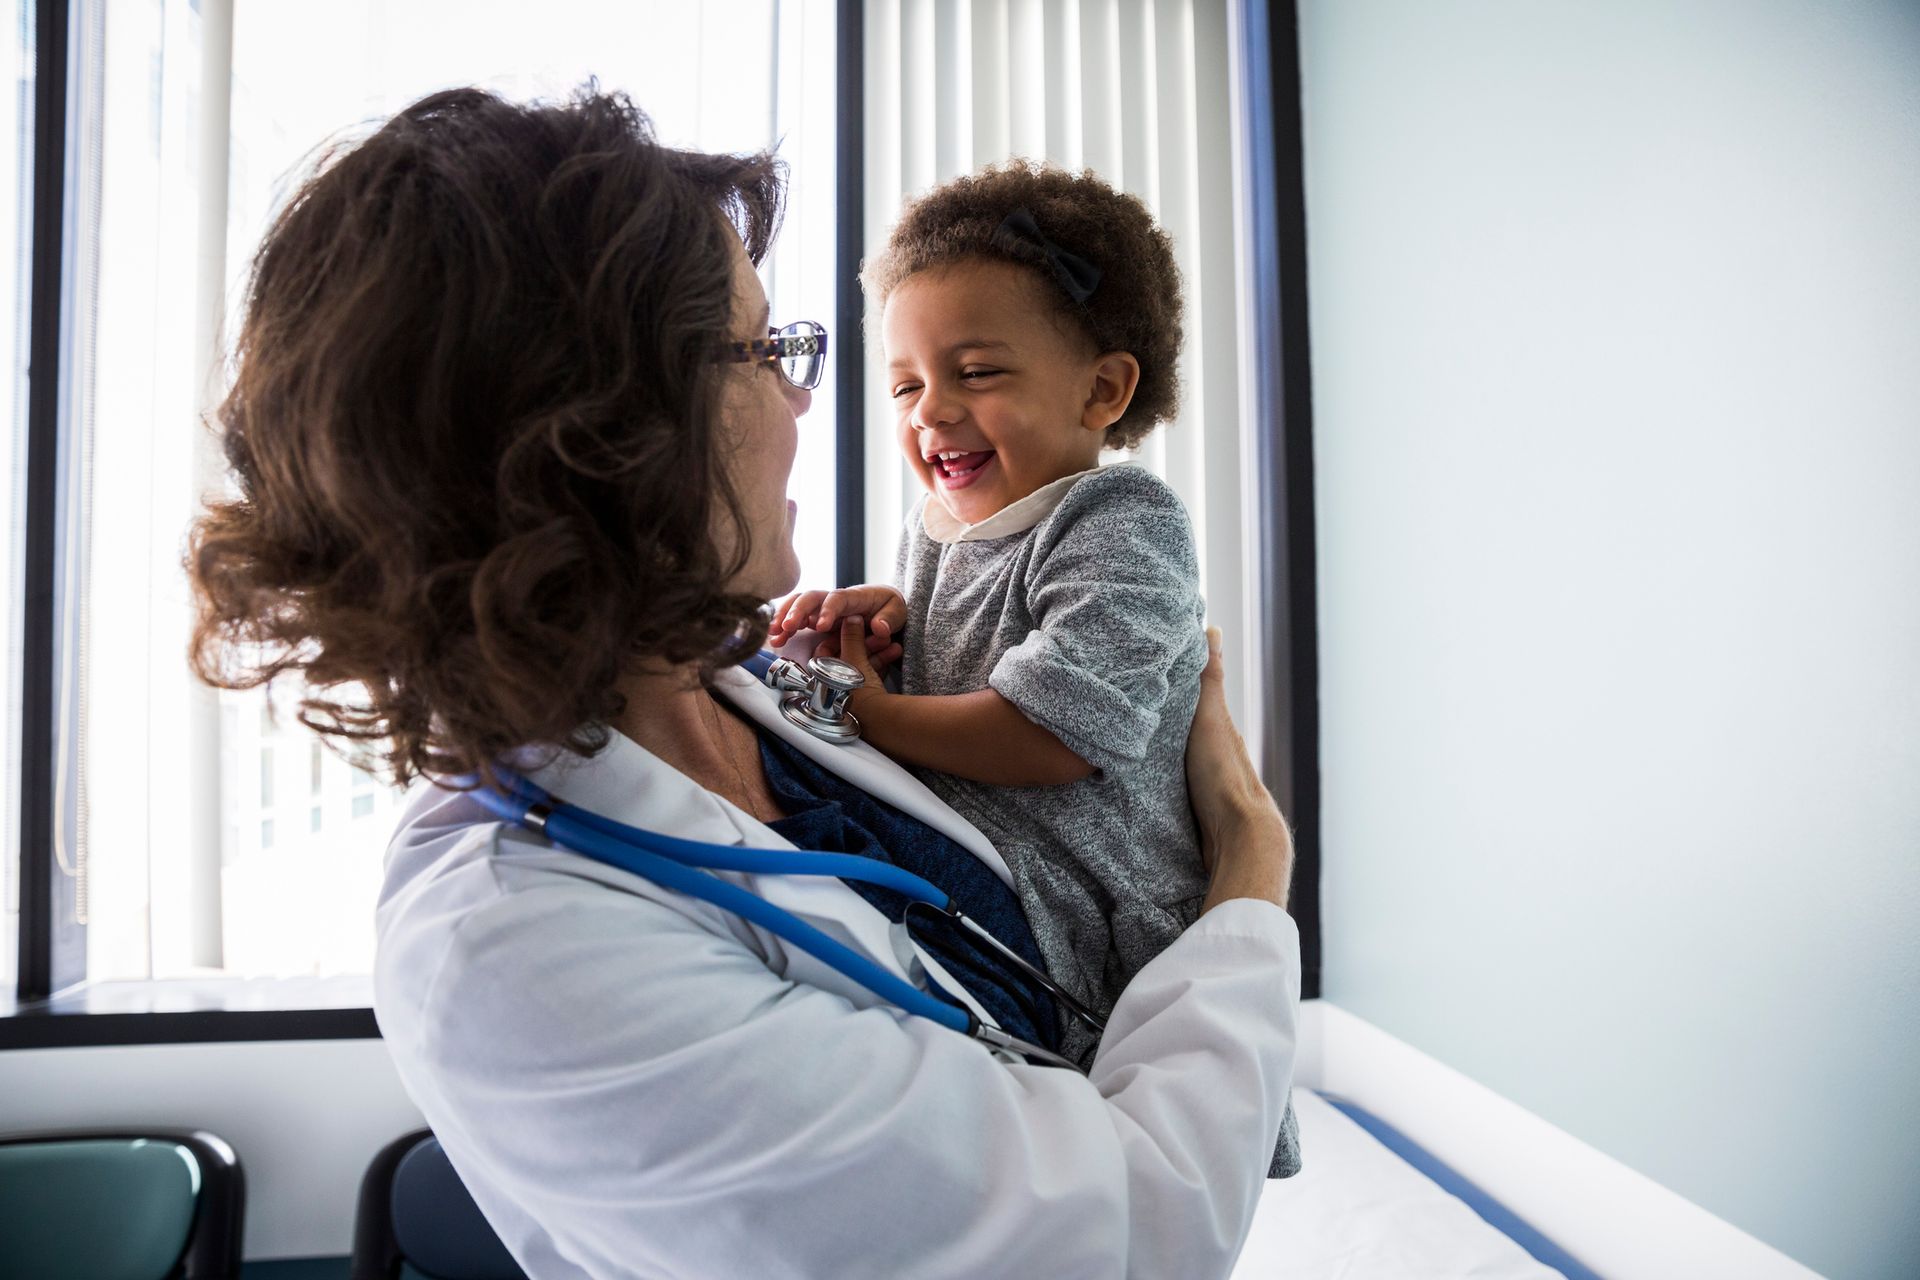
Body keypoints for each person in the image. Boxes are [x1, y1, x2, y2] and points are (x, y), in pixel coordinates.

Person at [186, 87, 1301, 1279]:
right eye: (765, 348)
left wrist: (885, 654)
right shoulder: (519, 951)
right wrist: (1248, 883)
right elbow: (1124, 1237)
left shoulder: (745, 688)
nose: (803, 393)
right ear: (605, 424)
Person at [769, 164, 1301, 1174]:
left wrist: (873, 711)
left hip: (1098, 924)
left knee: (1119, 1169)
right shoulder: (936, 535)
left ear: (1102, 389)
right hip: (1008, 894)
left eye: (976, 373)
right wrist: (889, 625)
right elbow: (955, 662)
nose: (933, 412)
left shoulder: (1122, 525)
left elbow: (1046, 733)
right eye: (906, 384)